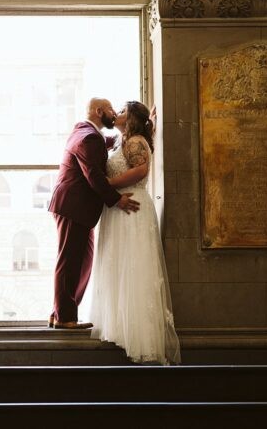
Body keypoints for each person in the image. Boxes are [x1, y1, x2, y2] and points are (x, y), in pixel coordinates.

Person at [89, 100, 180, 364]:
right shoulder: (123, 140)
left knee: (134, 267)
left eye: (123, 111)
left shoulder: (135, 141)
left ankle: (137, 335)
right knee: (120, 266)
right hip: (119, 208)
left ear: (132, 119)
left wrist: (108, 183)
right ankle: (120, 327)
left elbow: (141, 170)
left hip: (132, 206)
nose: (117, 113)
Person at [48, 98, 139, 329]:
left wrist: (144, 123)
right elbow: (94, 176)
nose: (114, 113)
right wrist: (117, 200)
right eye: (110, 109)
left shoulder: (86, 132)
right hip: (73, 206)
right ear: (99, 111)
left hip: (77, 208)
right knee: (70, 262)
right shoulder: (88, 136)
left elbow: (111, 142)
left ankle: (59, 313)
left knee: (82, 262)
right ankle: (65, 318)